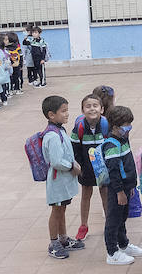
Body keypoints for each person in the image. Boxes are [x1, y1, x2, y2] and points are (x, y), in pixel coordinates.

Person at [101, 105, 142, 265]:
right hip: (117, 189)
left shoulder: (123, 139)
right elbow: (113, 171)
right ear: (115, 127)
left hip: (127, 187)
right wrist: (119, 191)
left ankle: (124, 244)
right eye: (126, 125)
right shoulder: (112, 145)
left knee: (122, 217)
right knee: (113, 219)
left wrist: (131, 187)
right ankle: (112, 252)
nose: (129, 128)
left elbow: (127, 165)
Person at [40, 95, 80, 260]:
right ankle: (53, 242)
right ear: (51, 115)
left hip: (63, 180)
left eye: (67, 110)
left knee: (62, 208)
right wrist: (72, 166)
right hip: (57, 181)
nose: (67, 114)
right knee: (56, 211)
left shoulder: (60, 130)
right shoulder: (52, 136)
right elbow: (56, 161)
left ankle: (63, 238)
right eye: (63, 111)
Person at [73, 94, 110, 241]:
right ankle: (83, 225)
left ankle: (109, 224)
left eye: (95, 106)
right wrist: (79, 167)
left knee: (105, 195)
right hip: (86, 169)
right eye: (88, 106)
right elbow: (74, 149)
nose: (92, 109)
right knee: (85, 196)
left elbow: (110, 147)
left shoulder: (106, 126)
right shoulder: (79, 127)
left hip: (103, 169)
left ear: (101, 109)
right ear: (82, 110)